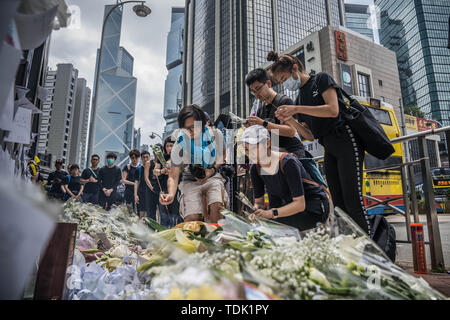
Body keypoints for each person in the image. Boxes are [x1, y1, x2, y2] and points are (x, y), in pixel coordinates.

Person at [268, 50, 372, 235]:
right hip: (328, 147)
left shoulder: (321, 79)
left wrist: (296, 108)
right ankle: (347, 246)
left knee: (353, 200)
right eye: (281, 83)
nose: (285, 84)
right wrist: (290, 119)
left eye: (284, 78)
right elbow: (309, 135)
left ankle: (370, 251)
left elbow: (333, 110)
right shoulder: (300, 97)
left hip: (346, 140)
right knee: (338, 202)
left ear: (294, 68)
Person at [243, 125, 329, 231]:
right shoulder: (255, 169)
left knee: (270, 227)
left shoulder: (288, 162)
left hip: (313, 208)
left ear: (268, 143)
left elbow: (299, 204)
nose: (249, 153)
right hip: (285, 209)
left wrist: (271, 213)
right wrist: (256, 211)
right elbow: (259, 202)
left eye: (253, 147)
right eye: (246, 149)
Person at [160, 104, 227, 223]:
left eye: (192, 127)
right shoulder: (179, 144)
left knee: (216, 206)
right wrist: (170, 194)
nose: (189, 132)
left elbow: (222, 156)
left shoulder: (216, 135)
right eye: (185, 128)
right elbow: (173, 175)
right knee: (192, 218)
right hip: (189, 181)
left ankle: (215, 239)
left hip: (212, 177)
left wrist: (211, 170)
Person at [245, 68, 313, 159]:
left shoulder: (284, 101)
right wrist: (251, 127)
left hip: (292, 153)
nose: (257, 94)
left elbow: (291, 131)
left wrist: (263, 123)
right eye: (253, 92)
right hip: (274, 154)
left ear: (268, 84)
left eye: (258, 89)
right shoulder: (260, 110)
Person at [134, 150, 153, 218]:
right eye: (143, 157)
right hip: (141, 193)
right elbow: (136, 182)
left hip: (151, 193)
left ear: (150, 157)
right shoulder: (138, 169)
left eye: (147, 157)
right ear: (141, 159)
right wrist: (135, 195)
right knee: (141, 213)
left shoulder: (153, 168)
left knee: (150, 213)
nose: (145, 159)